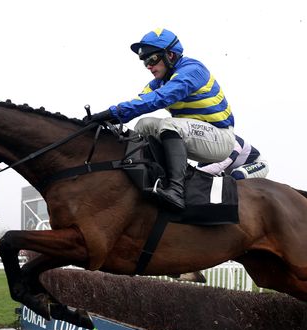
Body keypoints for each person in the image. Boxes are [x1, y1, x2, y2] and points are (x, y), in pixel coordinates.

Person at [84, 28, 235, 210]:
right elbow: (139, 103)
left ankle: (176, 191)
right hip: (196, 135)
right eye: (145, 61)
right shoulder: (159, 82)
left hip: (221, 140)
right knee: (144, 125)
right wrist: (106, 120)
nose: (148, 66)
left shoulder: (193, 70)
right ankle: (143, 177)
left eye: (152, 59)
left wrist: (112, 112)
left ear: (170, 55)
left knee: (169, 124)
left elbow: (159, 99)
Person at [196, 136, 269, 180]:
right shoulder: (210, 147)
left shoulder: (235, 144)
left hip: (259, 164)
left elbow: (220, 166)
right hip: (232, 172)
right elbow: (200, 168)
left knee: (237, 175)